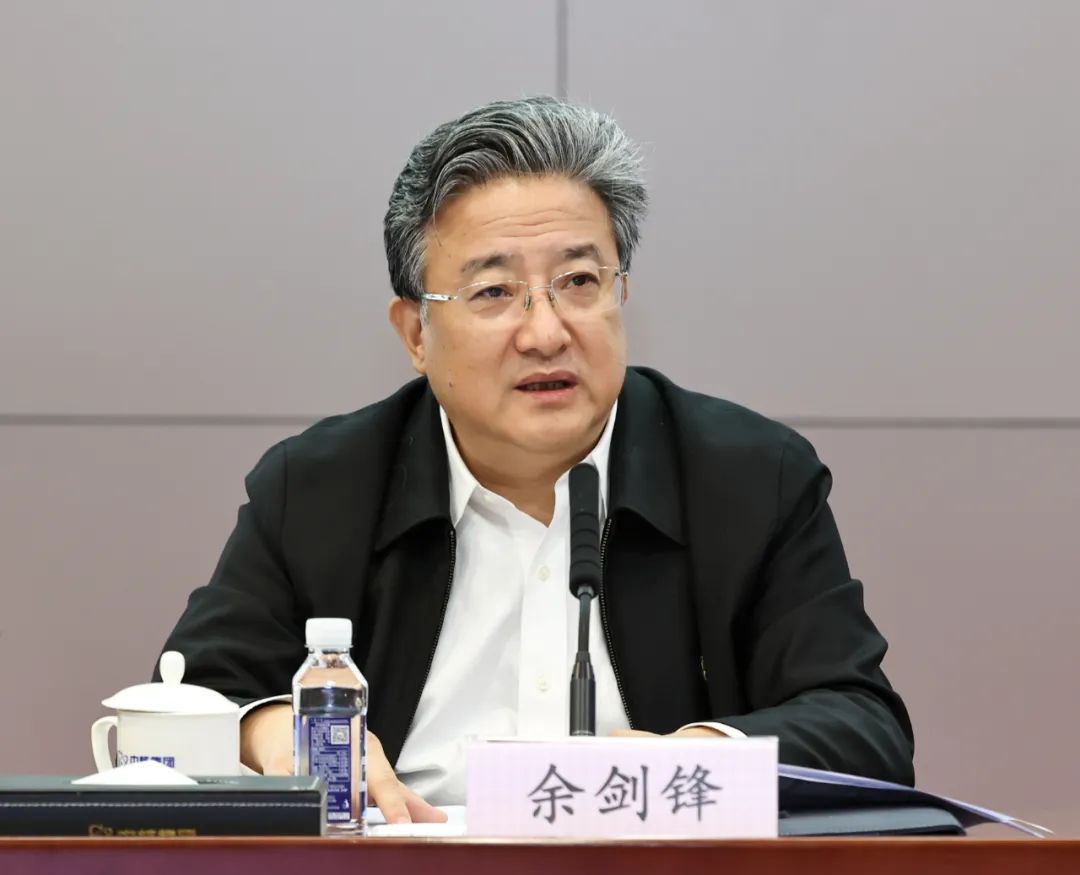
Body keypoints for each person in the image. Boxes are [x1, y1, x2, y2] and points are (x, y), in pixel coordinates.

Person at [159, 96, 914, 824]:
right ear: (416, 334)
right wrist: (278, 734)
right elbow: (184, 699)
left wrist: (694, 761)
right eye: (494, 291)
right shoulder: (321, 489)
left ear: (622, 292)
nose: (546, 332)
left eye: (579, 281)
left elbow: (863, 727)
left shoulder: (748, 478)